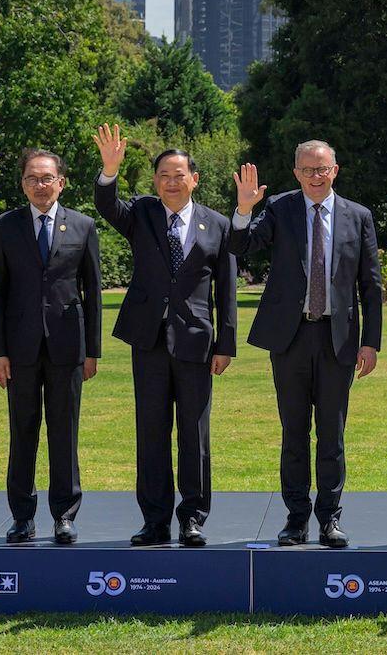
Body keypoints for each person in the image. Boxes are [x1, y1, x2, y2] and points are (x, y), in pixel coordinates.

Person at [92, 124, 237, 548]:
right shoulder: (141, 213)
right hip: (149, 339)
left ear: (195, 179)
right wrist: (109, 170)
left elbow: (226, 290)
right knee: (151, 432)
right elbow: (107, 205)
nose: (172, 182)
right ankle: (154, 520)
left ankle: (193, 517)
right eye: (164, 176)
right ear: (155, 181)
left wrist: (225, 344)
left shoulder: (218, 224)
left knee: (195, 434)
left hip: (196, 342)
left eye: (179, 175)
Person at [231, 141, 382, 548]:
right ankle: (296, 519)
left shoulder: (359, 216)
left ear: (336, 170)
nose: (316, 176)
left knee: (331, 435)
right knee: (293, 433)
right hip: (291, 337)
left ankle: (330, 520)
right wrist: (244, 209)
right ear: (296, 172)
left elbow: (371, 285)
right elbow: (241, 247)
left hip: (339, 339)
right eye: (307, 169)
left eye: (323, 169)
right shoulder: (280, 209)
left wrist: (371, 343)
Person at [0, 148, 101, 546]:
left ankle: (64, 515)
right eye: (32, 178)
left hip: (68, 348)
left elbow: (93, 294)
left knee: (64, 433)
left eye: (47, 178)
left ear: (61, 182)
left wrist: (93, 351)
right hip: (18, 350)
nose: (40, 185)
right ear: (23, 184)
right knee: (22, 432)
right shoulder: (5, 226)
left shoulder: (84, 226)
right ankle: (22, 517)